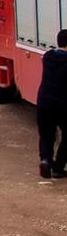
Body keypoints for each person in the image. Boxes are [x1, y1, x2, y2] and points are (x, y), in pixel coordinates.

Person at [37, 29, 67, 179]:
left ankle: (45, 160)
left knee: (46, 135)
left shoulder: (48, 57)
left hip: (44, 102)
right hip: (63, 105)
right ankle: (59, 167)